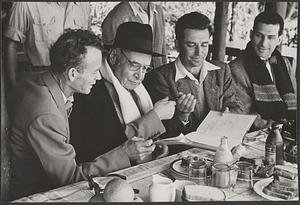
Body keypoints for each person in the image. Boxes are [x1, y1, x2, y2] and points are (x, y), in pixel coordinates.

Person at [8, 29, 154, 200]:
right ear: (72, 74)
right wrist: (125, 154)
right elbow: (70, 179)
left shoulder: (40, 81)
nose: (98, 78)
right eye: (94, 72)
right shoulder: (46, 114)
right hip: (38, 194)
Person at [69, 22, 176, 164]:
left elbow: (151, 137)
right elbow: (106, 147)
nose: (140, 76)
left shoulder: (140, 87)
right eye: (134, 66)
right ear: (114, 57)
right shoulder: (90, 89)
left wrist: (155, 147)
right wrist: (154, 117)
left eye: (145, 68)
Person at [144, 12, 243, 154]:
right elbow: (161, 133)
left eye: (204, 45)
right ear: (177, 44)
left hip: (220, 150)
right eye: (191, 45)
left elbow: (234, 105)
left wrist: (229, 114)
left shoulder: (221, 70)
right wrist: (182, 117)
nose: (199, 52)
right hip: (180, 155)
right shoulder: (159, 77)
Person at [229, 11, 297, 130]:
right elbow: (244, 115)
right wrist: (282, 126)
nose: (264, 44)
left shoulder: (284, 63)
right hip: (256, 136)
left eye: (271, 37)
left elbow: (294, 101)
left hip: (286, 131)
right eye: (259, 35)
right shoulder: (236, 68)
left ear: (279, 39)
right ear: (251, 34)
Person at [4, 2, 90, 91]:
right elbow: (10, 45)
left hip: (77, 83)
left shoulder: (84, 5)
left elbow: (88, 44)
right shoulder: (25, 4)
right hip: (40, 82)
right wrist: (12, 87)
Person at [101, 1, 167, 68]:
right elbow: (111, 56)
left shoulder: (158, 11)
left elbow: (163, 50)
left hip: (156, 75)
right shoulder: (117, 16)